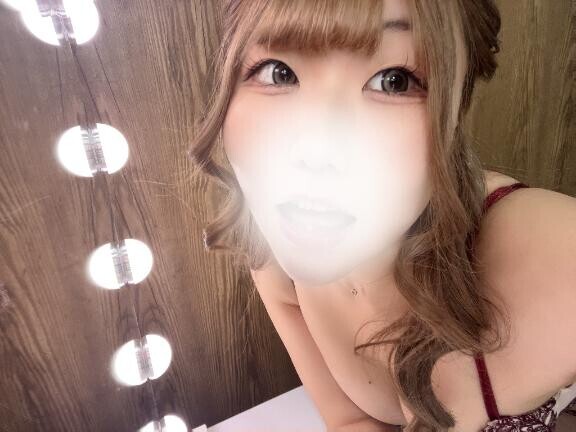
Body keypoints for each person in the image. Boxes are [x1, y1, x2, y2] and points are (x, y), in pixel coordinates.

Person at [188, 0, 576, 430]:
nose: (316, 149)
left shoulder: (556, 259)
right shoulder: (275, 264)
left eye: (394, 81)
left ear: (457, 107)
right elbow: (350, 420)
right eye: (278, 72)